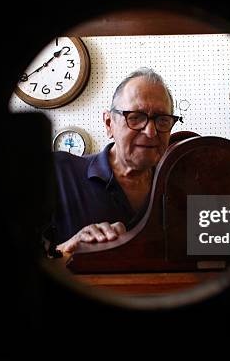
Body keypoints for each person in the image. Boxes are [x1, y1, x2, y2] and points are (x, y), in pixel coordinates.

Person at [48, 67, 181, 254]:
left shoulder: (180, 182)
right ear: (109, 123)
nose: (151, 132)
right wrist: (67, 249)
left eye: (162, 120)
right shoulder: (59, 173)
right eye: (135, 118)